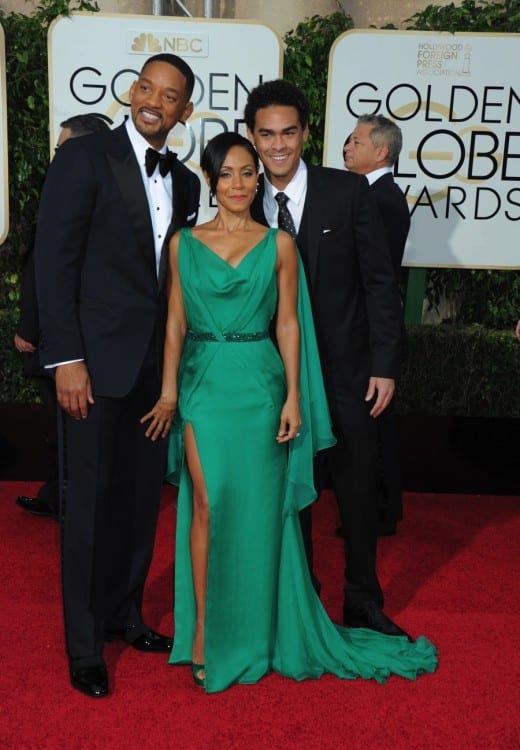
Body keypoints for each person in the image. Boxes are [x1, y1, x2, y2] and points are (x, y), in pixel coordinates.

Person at [144, 131, 437, 693]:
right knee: (205, 505)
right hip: (204, 383)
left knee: (259, 513)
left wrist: (294, 396)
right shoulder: (183, 243)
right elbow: (175, 323)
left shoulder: (279, 244)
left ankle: (259, 629)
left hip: (260, 385)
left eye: (247, 173)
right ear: (210, 180)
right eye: (226, 174)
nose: (238, 183)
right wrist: (167, 394)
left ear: (259, 179)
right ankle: (205, 629)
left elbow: (288, 323)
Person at [34, 54, 200, 698]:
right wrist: (65, 358)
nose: (153, 100)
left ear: (184, 111)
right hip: (92, 369)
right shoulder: (84, 158)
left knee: (138, 504)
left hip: (153, 373)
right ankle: (83, 648)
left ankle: (124, 615)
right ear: (132, 91)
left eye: (170, 95)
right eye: (146, 87)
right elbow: (54, 260)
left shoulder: (185, 183)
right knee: (87, 508)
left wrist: (173, 373)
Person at [245, 80, 408, 639]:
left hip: (349, 373)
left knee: (357, 489)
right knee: (289, 489)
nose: (278, 145)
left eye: (289, 132)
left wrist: (384, 364)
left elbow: (380, 283)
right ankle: (301, 595)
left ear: (306, 134)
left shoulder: (348, 191)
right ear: (252, 137)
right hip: (276, 376)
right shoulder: (242, 200)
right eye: (266, 134)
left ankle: (362, 599)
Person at [15, 114, 111, 521]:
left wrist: (29, 326)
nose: (55, 156)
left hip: (67, 340)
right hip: (74, 339)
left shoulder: (86, 193)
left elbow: (51, 268)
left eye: (62, 148)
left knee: (68, 428)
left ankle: (68, 499)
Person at [343, 113, 411, 536]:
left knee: (375, 421)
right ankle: (379, 508)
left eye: (356, 141)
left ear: (381, 151)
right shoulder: (370, 193)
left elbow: (377, 275)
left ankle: (380, 510)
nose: (347, 147)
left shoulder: (382, 198)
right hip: (363, 328)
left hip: (370, 331)